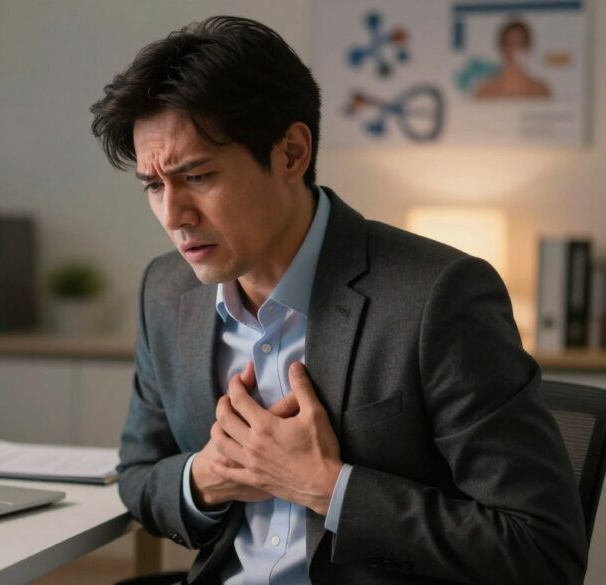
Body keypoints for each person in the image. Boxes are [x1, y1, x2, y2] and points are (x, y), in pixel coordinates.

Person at [89, 16, 586, 585]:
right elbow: (137, 475)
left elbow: (542, 553)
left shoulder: (439, 297)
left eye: (197, 176)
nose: (173, 216)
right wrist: (205, 476)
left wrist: (327, 487)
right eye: (154, 186)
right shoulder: (166, 290)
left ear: (292, 153)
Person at [474, 18, 551, 99]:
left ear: (528, 48)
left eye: (520, 44)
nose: (514, 50)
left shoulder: (540, 90)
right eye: (510, 44)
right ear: (502, 48)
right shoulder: (486, 91)